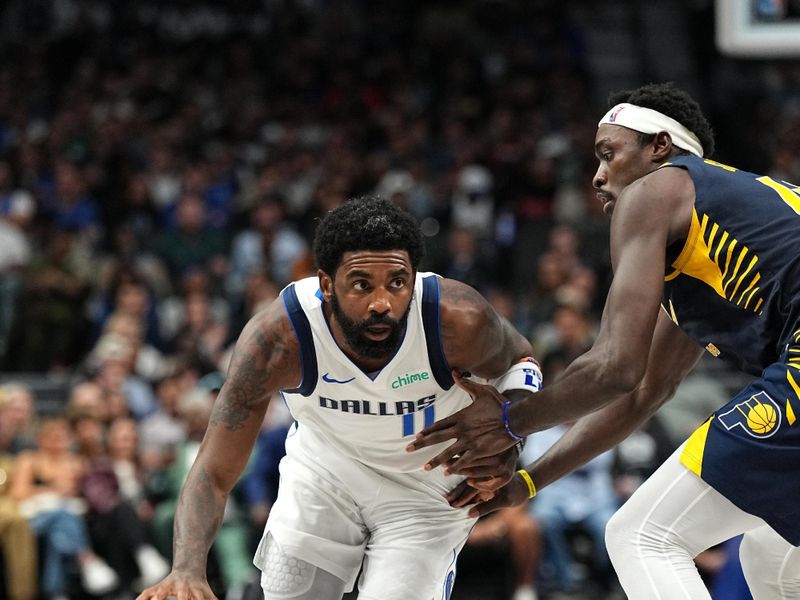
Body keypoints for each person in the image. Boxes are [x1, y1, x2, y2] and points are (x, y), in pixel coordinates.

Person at [409, 82, 800, 598]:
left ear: (659, 147)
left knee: (641, 535)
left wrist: (510, 420)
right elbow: (643, 392)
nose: (597, 176)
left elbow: (614, 365)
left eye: (608, 154)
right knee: (771, 554)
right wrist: (528, 483)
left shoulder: (658, 189)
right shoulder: (714, 230)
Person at [138, 196, 540, 600]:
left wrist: (511, 429)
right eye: (362, 285)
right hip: (324, 476)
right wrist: (187, 569)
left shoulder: (456, 317)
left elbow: (522, 361)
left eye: (398, 283)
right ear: (327, 284)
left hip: (426, 490)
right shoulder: (280, 337)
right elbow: (213, 469)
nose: (382, 303)